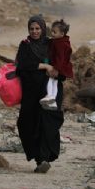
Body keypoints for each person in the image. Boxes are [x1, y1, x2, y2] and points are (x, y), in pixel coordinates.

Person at [15, 15, 64, 173]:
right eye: (32, 29)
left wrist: (56, 71)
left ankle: (43, 158)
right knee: (27, 124)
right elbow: (22, 66)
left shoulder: (51, 44)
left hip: (49, 91)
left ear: (43, 29)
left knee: (47, 124)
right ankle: (38, 158)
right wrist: (44, 66)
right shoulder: (25, 45)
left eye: (37, 28)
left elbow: (62, 63)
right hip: (30, 93)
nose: (35, 31)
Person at [40, 19, 73, 110]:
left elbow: (60, 58)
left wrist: (56, 68)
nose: (52, 34)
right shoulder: (61, 42)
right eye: (52, 32)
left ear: (62, 34)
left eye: (54, 32)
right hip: (61, 68)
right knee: (55, 82)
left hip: (58, 67)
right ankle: (53, 101)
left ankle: (50, 95)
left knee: (50, 80)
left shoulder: (60, 44)